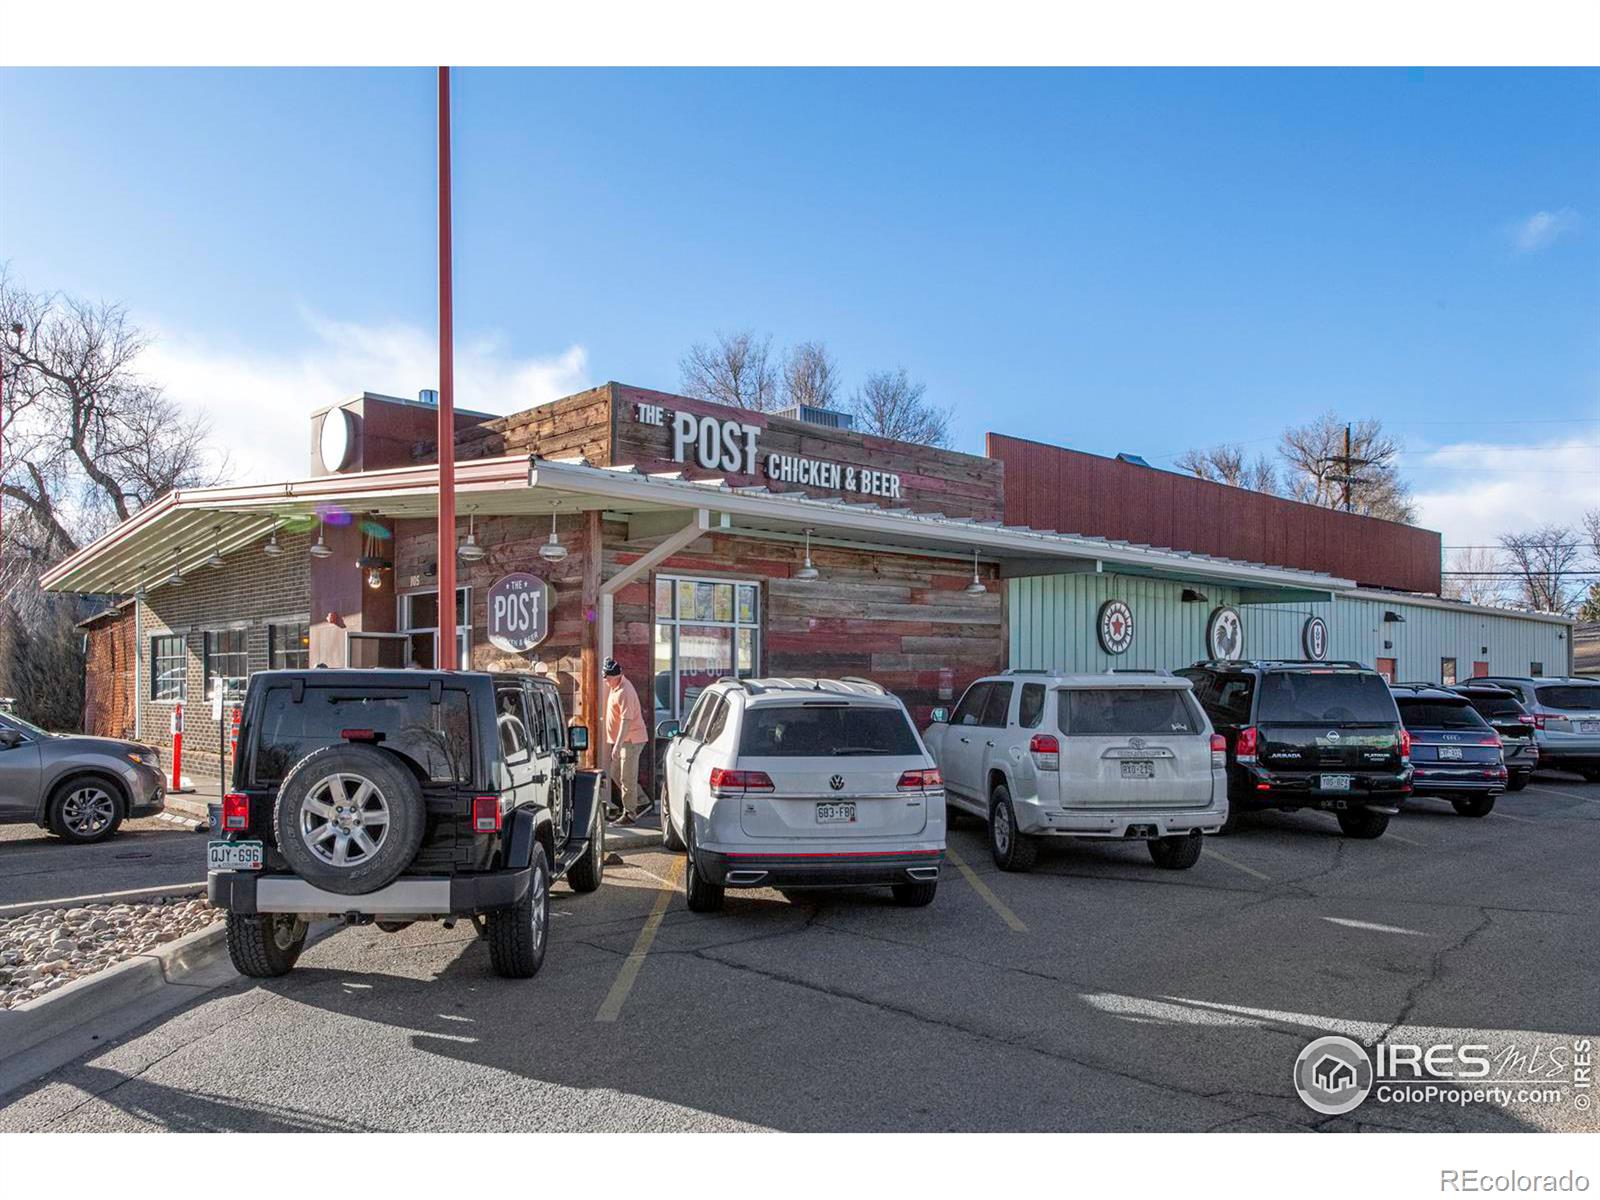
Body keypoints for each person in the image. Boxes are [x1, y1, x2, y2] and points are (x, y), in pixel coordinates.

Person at [603, 657, 652, 825]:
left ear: (616, 676)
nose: (605, 680)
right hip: (623, 741)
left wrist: (617, 745)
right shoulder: (615, 686)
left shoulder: (625, 691)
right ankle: (642, 801)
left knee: (626, 777)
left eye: (608, 677)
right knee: (616, 772)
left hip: (631, 740)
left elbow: (626, 720)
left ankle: (630, 814)